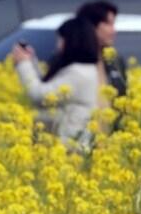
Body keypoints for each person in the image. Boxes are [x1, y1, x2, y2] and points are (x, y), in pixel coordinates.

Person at [11, 16, 108, 147]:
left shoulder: (78, 73)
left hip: (70, 146)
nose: (58, 45)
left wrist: (23, 64)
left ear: (73, 41)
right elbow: (49, 88)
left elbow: (40, 95)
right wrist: (32, 61)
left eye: (62, 40)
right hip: (70, 141)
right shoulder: (82, 69)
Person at [76, 0, 127, 96]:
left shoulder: (115, 61)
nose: (113, 31)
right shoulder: (72, 60)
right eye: (108, 24)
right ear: (91, 26)